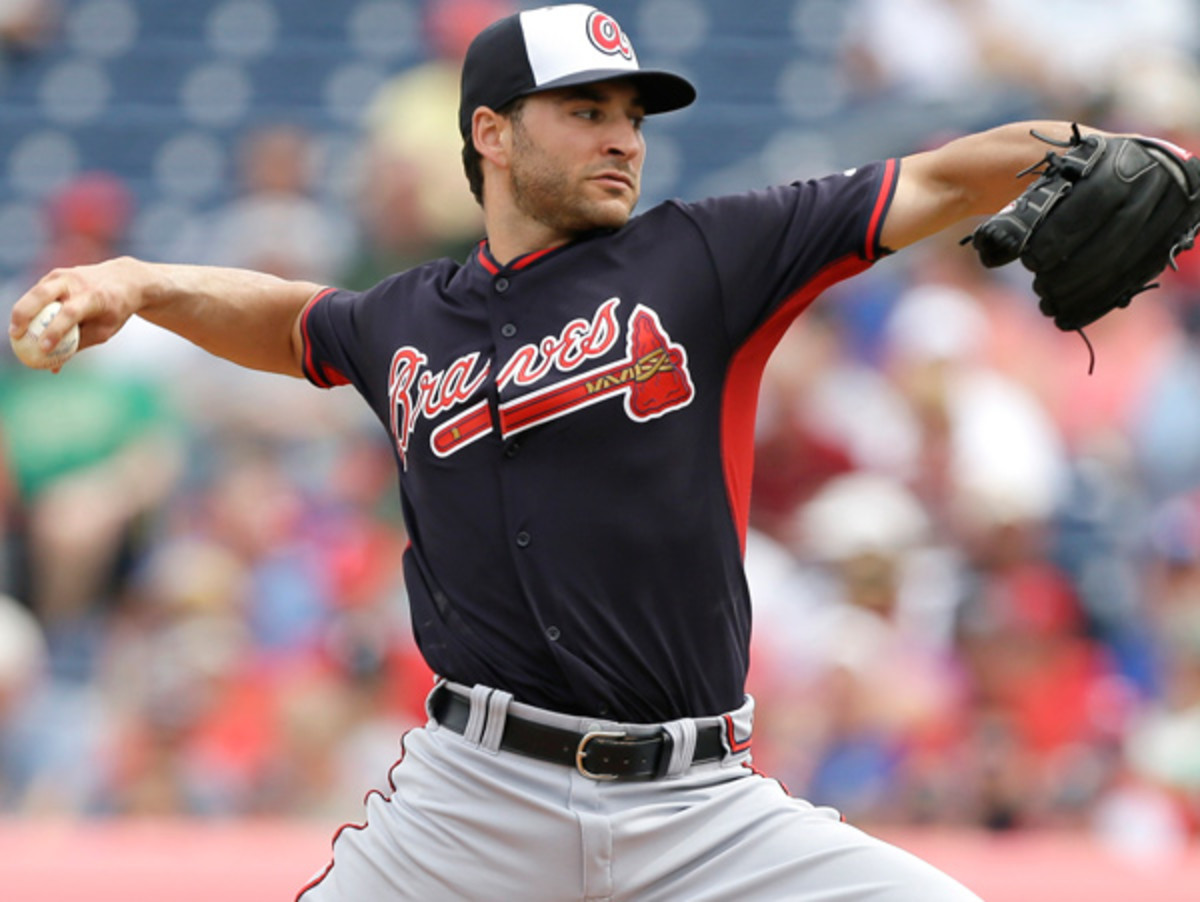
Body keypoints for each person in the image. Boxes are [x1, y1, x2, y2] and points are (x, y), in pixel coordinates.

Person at [6, 4, 1174, 899]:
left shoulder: (706, 255)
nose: (622, 137)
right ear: (491, 132)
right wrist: (139, 281)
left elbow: (931, 177)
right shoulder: (407, 318)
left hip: (701, 807)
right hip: (471, 804)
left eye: (632, 115)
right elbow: (290, 320)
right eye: (586, 110)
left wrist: (1082, 142)